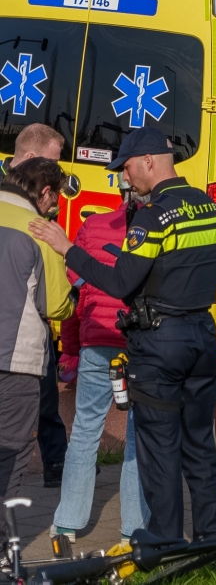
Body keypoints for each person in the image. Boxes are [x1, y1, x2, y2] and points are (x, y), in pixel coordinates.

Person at [30, 127, 216, 542]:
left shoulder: (155, 215)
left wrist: (69, 249)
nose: (125, 176)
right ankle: (213, 535)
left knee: (155, 448)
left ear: (150, 161)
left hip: (161, 342)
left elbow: (120, 282)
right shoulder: (209, 207)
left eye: (128, 167)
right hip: (202, 336)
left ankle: (162, 541)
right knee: (199, 444)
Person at [50, 174, 150, 546]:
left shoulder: (92, 226)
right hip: (140, 343)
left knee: (86, 431)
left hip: (97, 341)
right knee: (139, 438)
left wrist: (71, 348)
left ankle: (66, 522)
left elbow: (73, 296)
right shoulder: (157, 230)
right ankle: (133, 528)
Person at [0, 158, 75, 545]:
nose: (54, 207)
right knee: (11, 450)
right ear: (45, 192)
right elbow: (57, 306)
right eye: (54, 199)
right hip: (14, 360)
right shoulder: (41, 230)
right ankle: (3, 544)